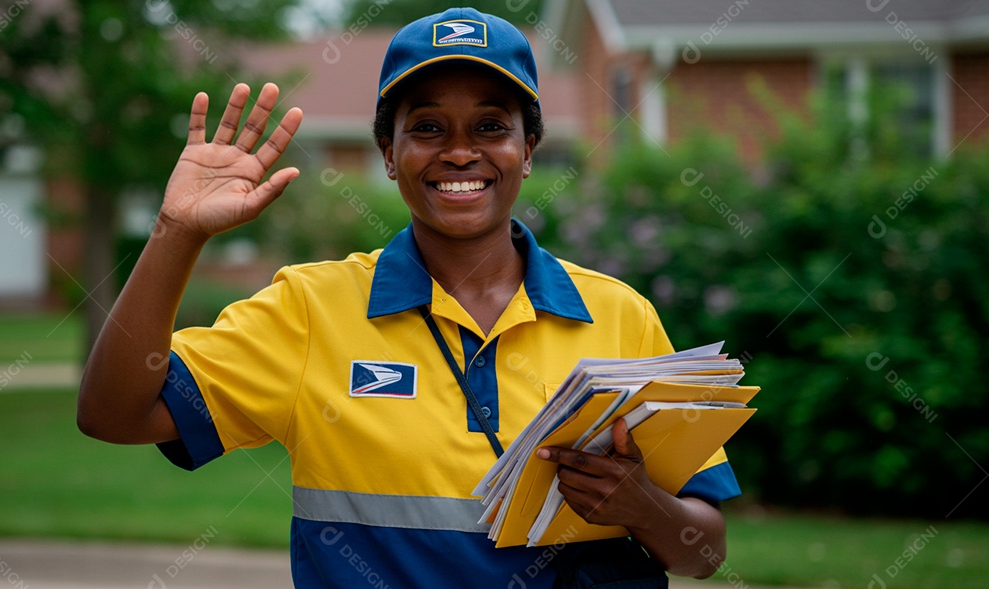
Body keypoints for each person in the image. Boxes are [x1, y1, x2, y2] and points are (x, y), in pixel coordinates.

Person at [78, 7, 739, 588]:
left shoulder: (620, 315)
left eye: (489, 126)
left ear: (527, 148)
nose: (459, 152)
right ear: (388, 153)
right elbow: (113, 413)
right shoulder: (310, 309)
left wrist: (643, 507)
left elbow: (706, 551)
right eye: (427, 128)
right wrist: (177, 232)